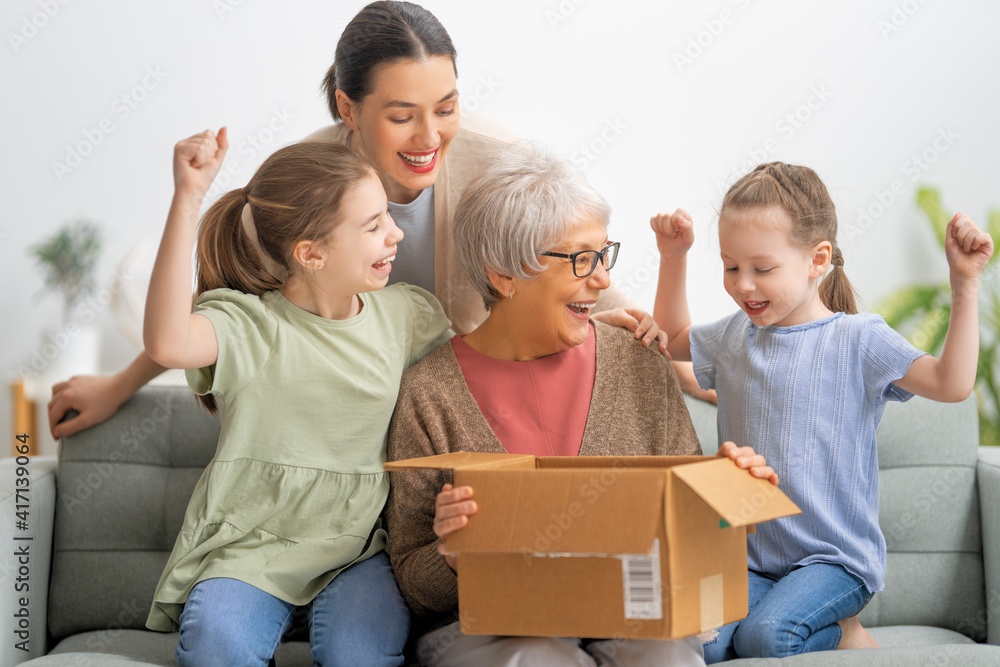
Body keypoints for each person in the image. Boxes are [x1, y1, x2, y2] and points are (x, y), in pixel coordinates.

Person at [48, 0, 709, 439]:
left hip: (457, 406)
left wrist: (683, 364)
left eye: (445, 106)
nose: (430, 135)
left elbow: (571, 259)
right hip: (344, 415)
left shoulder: (495, 157)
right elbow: (226, 293)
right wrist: (122, 382)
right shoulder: (304, 175)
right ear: (348, 106)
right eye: (401, 115)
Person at [385, 142, 778, 667]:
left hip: (635, 622)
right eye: (581, 259)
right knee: (534, 656)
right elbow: (411, 580)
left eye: (603, 253)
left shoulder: (638, 361)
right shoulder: (429, 394)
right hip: (493, 630)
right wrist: (454, 557)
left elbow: (688, 534)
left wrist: (731, 495)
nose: (604, 279)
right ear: (504, 273)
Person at [651, 161, 994, 662]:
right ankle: (796, 617)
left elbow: (952, 384)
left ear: (817, 260)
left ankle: (846, 631)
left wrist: (965, 285)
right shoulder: (731, 337)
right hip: (747, 556)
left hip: (834, 561)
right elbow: (673, 342)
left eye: (762, 269)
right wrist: (673, 257)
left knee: (766, 639)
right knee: (702, 647)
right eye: (731, 267)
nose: (744, 285)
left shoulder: (859, 340)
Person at [143, 127, 453, 666]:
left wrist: (591, 338)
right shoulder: (248, 325)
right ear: (311, 253)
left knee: (360, 656)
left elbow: (487, 364)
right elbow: (168, 341)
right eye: (374, 225)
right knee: (218, 646)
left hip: (358, 548)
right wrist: (187, 197)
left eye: (389, 218)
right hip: (251, 548)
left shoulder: (406, 315)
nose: (395, 236)